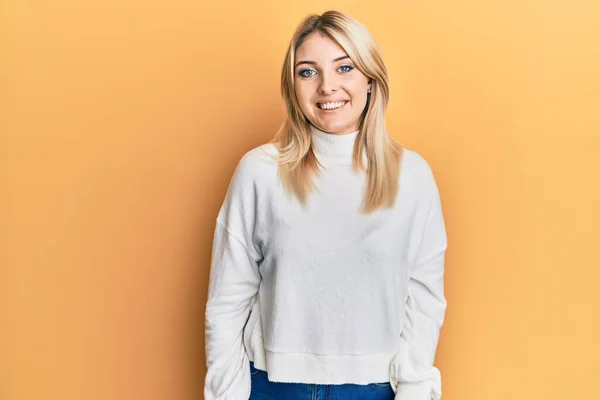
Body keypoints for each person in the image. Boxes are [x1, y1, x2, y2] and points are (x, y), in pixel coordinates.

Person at [204, 10, 448, 400]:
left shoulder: (412, 177)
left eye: (344, 68)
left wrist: (417, 390)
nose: (326, 86)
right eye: (308, 72)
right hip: (271, 387)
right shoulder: (260, 172)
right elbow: (227, 302)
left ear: (370, 79)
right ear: (292, 87)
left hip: (374, 390)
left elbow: (424, 301)